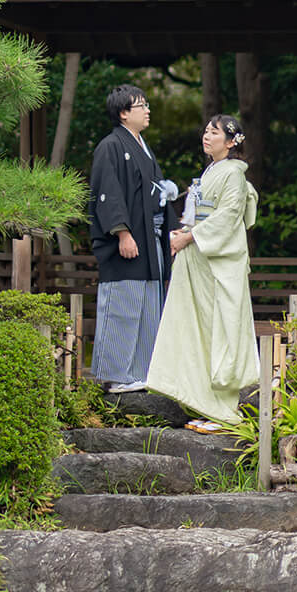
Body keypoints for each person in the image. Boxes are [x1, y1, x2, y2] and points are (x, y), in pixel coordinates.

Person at [146, 113, 259, 429]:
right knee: (197, 328)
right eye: (206, 131)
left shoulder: (233, 175)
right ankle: (203, 402)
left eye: (215, 132)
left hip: (218, 262)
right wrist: (183, 231)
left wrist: (190, 236)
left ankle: (224, 409)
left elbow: (227, 218)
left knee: (221, 329)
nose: (207, 136)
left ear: (231, 142)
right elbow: (199, 214)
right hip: (199, 258)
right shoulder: (212, 171)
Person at [87, 84, 178, 393]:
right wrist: (122, 232)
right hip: (127, 241)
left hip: (150, 241)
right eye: (142, 106)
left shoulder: (142, 146)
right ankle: (114, 376)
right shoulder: (110, 146)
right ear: (124, 113)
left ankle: (140, 373)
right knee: (123, 306)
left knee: (148, 307)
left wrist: (173, 229)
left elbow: (157, 193)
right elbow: (107, 193)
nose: (148, 110)